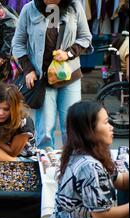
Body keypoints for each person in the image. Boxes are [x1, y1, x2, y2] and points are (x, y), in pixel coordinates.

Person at [44, 101, 129, 218]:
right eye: (106, 122)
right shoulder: (89, 166)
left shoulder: (82, 152)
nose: (111, 127)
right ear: (90, 130)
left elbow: (120, 180)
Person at [12, 0, 92, 150]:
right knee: (45, 129)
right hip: (42, 78)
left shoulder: (75, 6)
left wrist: (68, 53)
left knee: (72, 124)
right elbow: (17, 43)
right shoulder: (29, 9)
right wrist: (28, 69)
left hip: (69, 76)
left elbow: (85, 37)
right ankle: (46, 165)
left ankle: (73, 160)